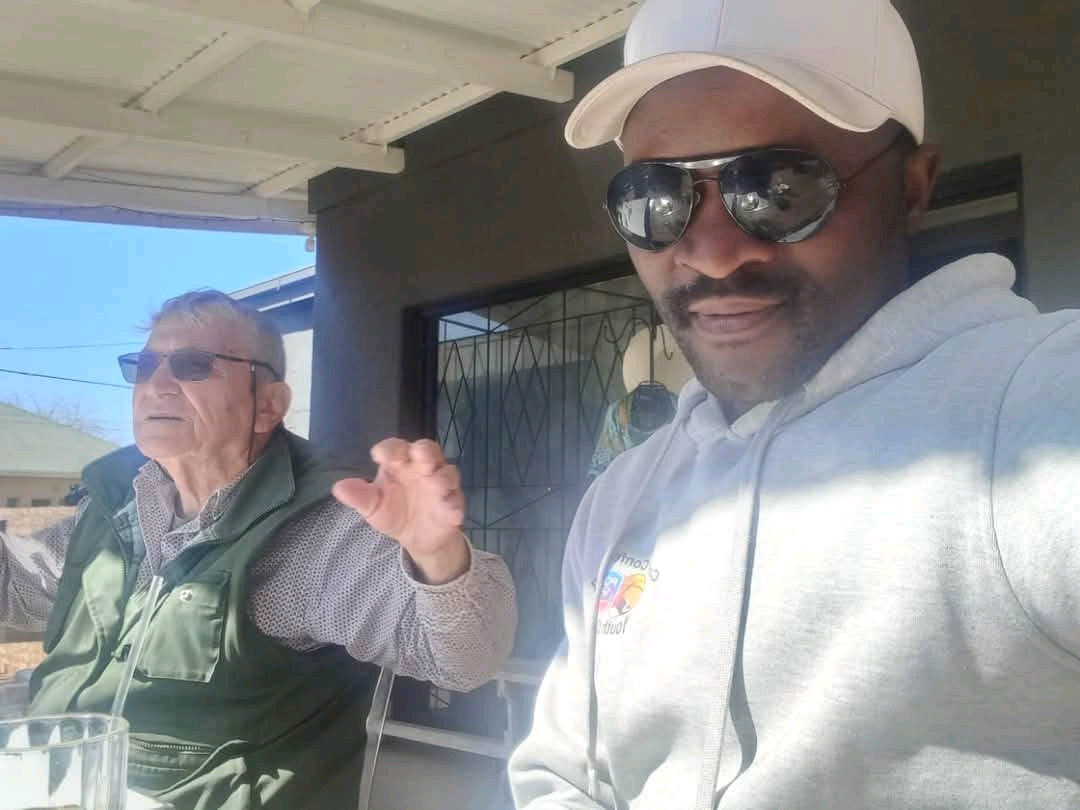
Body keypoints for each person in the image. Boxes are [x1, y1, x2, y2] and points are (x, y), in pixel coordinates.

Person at [509, 0, 1080, 807]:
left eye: (777, 187)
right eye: (656, 197)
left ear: (913, 188)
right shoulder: (622, 498)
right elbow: (564, 776)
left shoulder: (1030, 413)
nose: (711, 254)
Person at [0, 290, 517, 810]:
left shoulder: (317, 529)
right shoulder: (110, 507)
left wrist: (437, 555)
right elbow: (13, 590)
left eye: (192, 365)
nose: (156, 385)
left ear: (268, 405)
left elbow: (464, 659)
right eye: (145, 366)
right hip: (46, 786)